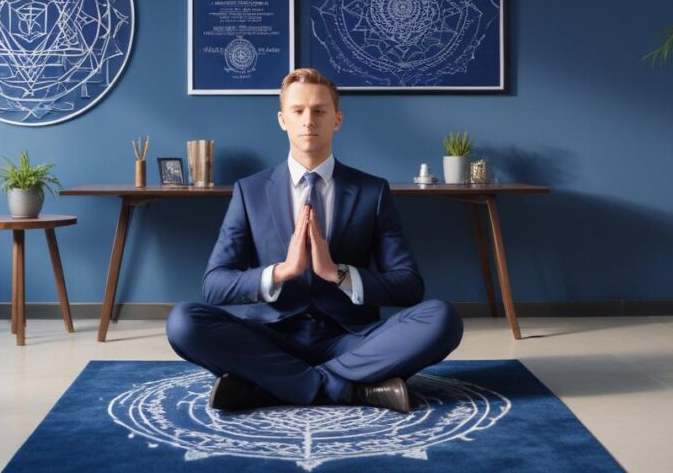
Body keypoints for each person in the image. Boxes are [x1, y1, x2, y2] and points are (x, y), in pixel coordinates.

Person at [166, 68, 463, 413]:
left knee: (442, 318)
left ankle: (270, 385)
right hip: (269, 339)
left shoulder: (373, 191)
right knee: (183, 322)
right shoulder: (250, 191)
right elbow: (214, 285)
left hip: (351, 341)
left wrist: (337, 273)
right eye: (298, 110)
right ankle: (350, 389)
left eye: (319, 110)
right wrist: (280, 272)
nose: (309, 120)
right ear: (282, 119)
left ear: (337, 119)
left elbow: (409, 286)